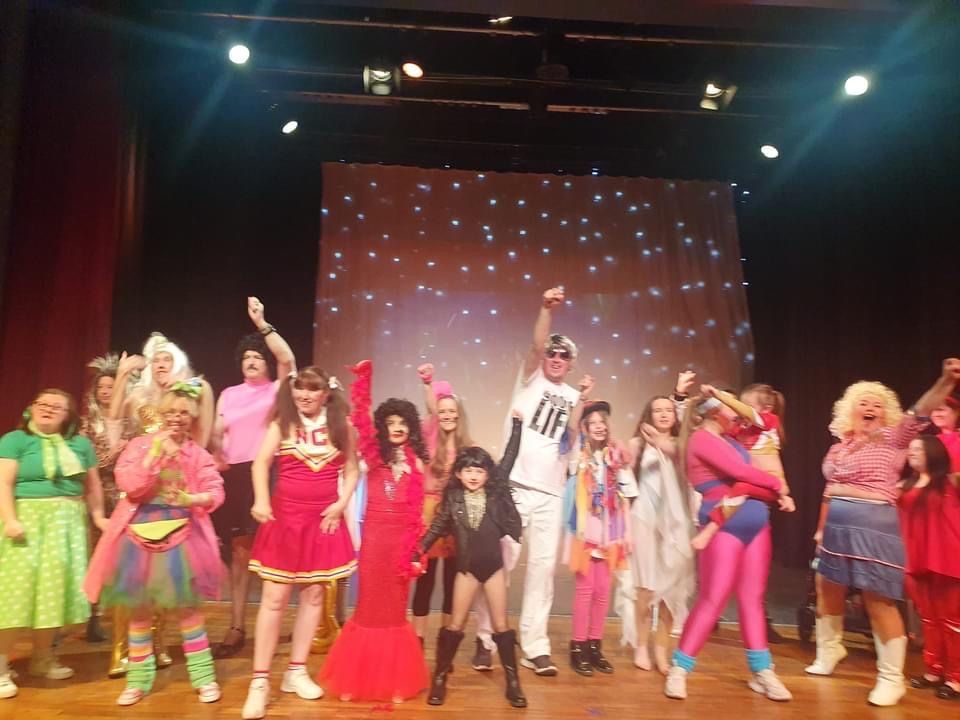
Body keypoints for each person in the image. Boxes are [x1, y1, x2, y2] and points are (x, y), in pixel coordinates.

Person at [807, 360, 960, 706]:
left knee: (876, 598)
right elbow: (829, 490)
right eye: (863, 403)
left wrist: (945, 381)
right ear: (850, 410)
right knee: (826, 585)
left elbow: (921, 410)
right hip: (836, 525)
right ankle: (829, 650)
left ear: (886, 412)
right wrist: (820, 529)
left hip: (873, 523)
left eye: (877, 404)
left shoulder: (893, 437)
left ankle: (891, 678)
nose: (870, 408)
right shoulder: (840, 445)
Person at [84, 383, 224, 706]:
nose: (176, 418)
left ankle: (203, 677)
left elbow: (215, 490)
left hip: (182, 538)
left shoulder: (197, 454)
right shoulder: (139, 445)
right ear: (161, 414)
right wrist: (154, 455)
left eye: (183, 413)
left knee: (188, 610)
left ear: (192, 418)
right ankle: (138, 680)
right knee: (139, 611)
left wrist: (192, 498)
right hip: (138, 537)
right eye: (171, 412)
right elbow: (129, 485)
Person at [240, 367, 357, 720]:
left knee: (314, 595)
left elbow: (352, 469)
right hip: (285, 520)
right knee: (274, 598)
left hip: (322, 521)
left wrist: (341, 504)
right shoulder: (282, 424)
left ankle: (296, 670)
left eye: (313, 389)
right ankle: (260, 681)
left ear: (326, 393)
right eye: (300, 389)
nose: (305, 395)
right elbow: (260, 464)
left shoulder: (342, 427)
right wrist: (261, 500)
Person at [486, 286, 590, 677]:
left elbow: (572, 440)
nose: (556, 358)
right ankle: (486, 637)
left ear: (572, 363)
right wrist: (546, 310)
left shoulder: (574, 397)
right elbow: (534, 344)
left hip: (551, 494)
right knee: (501, 563)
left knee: (543, 572)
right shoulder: (529, 380)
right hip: (515, 487)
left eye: (564, 355)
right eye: (552, 353)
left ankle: (535, 646)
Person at [664, 391, 792, 702]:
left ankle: (762, 670)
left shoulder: (733, 440)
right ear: (713, 412)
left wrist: (773, 479)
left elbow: (760, 444)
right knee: (714, 598)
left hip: (756, 523)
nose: (737, 413)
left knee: (752, 599)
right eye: (730, 407)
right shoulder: (700, 439)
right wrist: (777, 485)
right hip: (723, 526)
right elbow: (740, 473)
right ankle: (680, 668)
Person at [317, 360, 430, 702]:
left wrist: (416, 551)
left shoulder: (417, 463)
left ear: (411, 427)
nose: (397, 428)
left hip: (401, 545)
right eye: (391, 422)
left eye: (402, 422)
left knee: (395, 611)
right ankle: (354, 680)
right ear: (383, 426)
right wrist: (364, 381)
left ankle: (394, 681)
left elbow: (417, 514)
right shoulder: (373, 454)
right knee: (367, 608)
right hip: (375, 543)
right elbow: (362, 421)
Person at [105, 333, 215, 676]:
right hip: (140, 502)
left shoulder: (191, 397)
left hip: (177, 506)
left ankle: (170, 650)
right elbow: (113, 425)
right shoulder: (140, 406)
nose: (160, 364)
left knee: (174, 590)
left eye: (167, 359)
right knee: (134, 592)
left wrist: (192, 495)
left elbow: (204, 450)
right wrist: (123, 375)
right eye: (155, 360)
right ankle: (127, 659)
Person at [0, 389, 107, 699]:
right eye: (42, 404)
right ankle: (1, 666)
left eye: (56, 407)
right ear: (30, 408)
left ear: (68, 415)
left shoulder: (81, 444)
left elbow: (93, 486)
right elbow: (3, 483)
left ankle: (43, 658)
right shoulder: (15, 441)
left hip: (67, 523)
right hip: (27, 521)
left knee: (52, 593)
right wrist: (10, 520)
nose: (47, 409)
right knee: (15, 594)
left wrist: (98, 517)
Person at [416, 414, 527, 708]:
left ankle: (513, 682)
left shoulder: (495, 493)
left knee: (501, 625)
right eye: (468, 470)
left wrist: (517, 427)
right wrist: (419, 549)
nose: (474, 476)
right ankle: (440, 678)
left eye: (479, 470)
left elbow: (509, 457)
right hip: (466, 570)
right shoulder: (452, 500)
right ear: (458, 474)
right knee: (455, 624)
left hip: (493, 568)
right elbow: (437, 527)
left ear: (488, 474)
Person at [210, 297, 296, 659]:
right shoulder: (228, 394)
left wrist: (261, 323)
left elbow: (287, 358)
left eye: (257, 357)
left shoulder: (277, 390)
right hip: (234, 477)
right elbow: (217, 432)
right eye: (246, 357)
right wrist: (216, 452)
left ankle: (273, 624)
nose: (251, 361)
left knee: (275, 552)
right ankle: (236, 627)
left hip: (268, 473)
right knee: (240, 555)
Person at [622, 384, 696, 674]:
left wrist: (680, 398)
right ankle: (641, 645)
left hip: (676, 525)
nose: (664, 415)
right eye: (657, 410)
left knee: (672, 591)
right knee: (646, 587)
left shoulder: (683, 444)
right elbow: (624, 482)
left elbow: (679, 455)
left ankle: (662, 651)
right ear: (648, 415)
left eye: (668, 410)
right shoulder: (637, 444)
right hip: (644, 519)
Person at [565, 400, 636, 677]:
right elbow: (570, 436)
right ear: (584, 427)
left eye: (602, 422)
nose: (598, 427)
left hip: (611, 531)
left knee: (603, 590)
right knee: (585, 590)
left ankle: (595, 645)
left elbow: (627, 495)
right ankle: (578, 646)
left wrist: (626, 531)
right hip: (586, 530)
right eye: (592, 423)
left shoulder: (616, 457)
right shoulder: (578, 456)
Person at [690, 384, 795, 550]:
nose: (739, 410)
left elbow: (747, 414)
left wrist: (719, 395)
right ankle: (783, 498)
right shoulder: (744, 428)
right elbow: (718, 431)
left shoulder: (769, 420)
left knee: (741, 487)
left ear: (766, 408)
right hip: (762, 483)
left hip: (772, 479)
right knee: (743, 487)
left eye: (746, 406)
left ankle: (711, 529)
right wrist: (702, 406)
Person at [410, 363, 471, 647]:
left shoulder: (467, 446)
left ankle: (447, 637)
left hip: (456, 515)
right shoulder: (428, 436)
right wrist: (427, 384)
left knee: (452, 580)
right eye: (442, 411)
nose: (446, 415)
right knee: (425, 579)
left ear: (458, 414)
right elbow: (431, 408)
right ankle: (417, 638)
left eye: (451, 411)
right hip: (429, 513)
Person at [898, 434, 960, 700]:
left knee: (952, 621)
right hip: (917, 558)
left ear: (933, 453)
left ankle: (956, 678)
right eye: (910, 448)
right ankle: (933, 670)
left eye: (919, 449)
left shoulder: (949, 482)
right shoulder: (905, 484)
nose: (912, 452)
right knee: (928, 618)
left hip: (947, 558)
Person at [79, 353, 131, 642]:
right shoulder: (86, 424)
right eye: (101, 387)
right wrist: (114, 452)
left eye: (111, 386)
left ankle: (117, 617)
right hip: (94, 494)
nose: (106, 391)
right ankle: (89, 616)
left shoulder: (131, 423)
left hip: (123, 497)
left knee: (119, 559)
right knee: (91, 556)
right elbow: (92, 462)